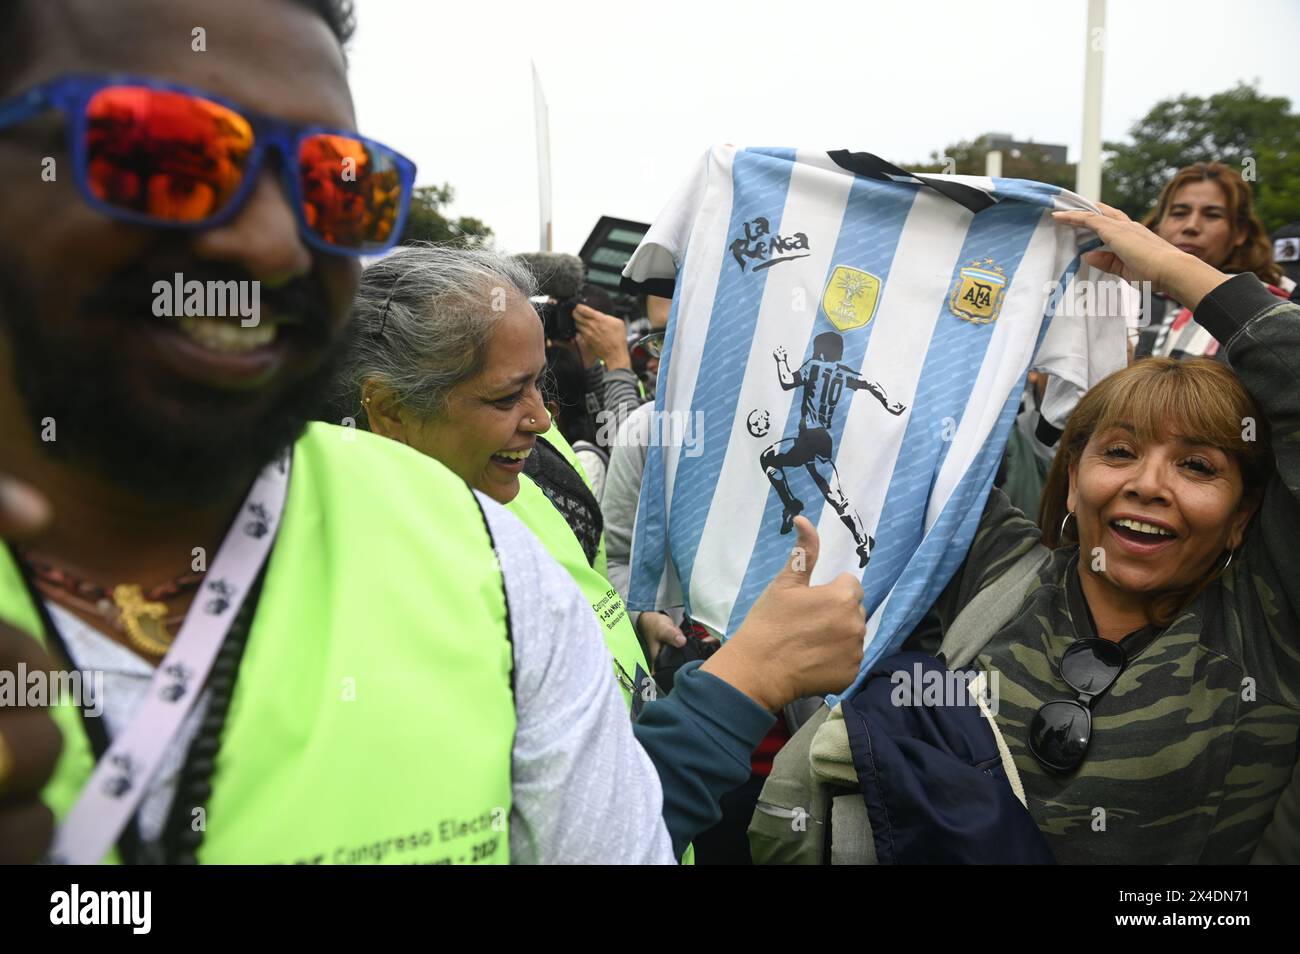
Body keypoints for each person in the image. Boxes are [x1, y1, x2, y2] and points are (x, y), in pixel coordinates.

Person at [0, 0, 866, 865]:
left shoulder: (484, 557)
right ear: (386, 408)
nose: (271, 241)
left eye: (336, 183)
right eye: (164, 154)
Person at [877, 202, 1300, 863]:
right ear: (1073, 477)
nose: (1149, 485)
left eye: (1196, 465)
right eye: (1121, 452)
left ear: (1242, 515)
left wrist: (1167, 265)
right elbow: (883, 400)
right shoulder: (993, 564)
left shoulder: (1265, 624)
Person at [1134, 162, 1292, 360]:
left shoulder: (1272, 308)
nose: (1191, 226)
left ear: (1240, 232)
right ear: (1158, 226)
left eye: (1212, 215)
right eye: (1179, 213)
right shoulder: (1119, 298)